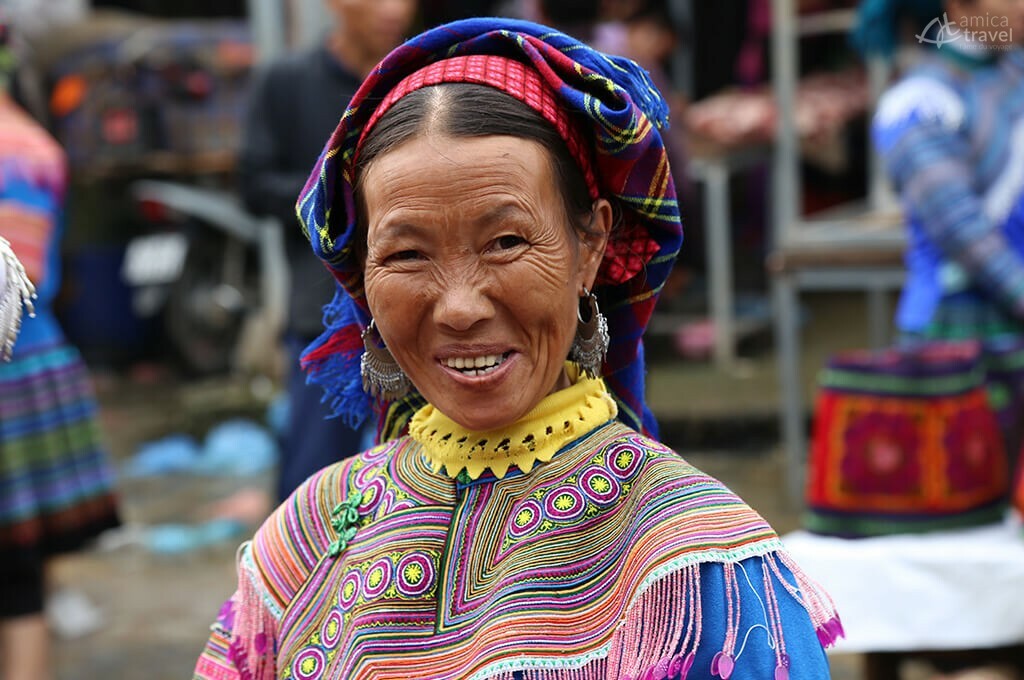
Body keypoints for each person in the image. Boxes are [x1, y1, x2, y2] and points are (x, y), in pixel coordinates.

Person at [194, 19, 841, 679]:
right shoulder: (307, 539)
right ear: (361, 272)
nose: (460, 306)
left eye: (505, 242)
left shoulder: (698, 567)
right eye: (408, 254)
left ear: (591, 246)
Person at [238, 0, 418, 502]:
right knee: (313, 479)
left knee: (421, 475)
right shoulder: (287, 82)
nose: (393, 10)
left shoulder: (419, 79)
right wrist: (340, 195)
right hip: (325, 315)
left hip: (415, 310)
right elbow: (253, 185)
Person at [0, 20, 120, 680]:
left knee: (16, 581)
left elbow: (15, 280)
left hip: (11, 368)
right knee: (19, 575)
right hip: (33, 359)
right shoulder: (33, 142)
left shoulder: (14, 148)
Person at [866, 0, 1024, 449]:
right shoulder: (918, 103)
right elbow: (964, 232)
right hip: (957, 331)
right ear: (957, 5)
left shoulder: (1014, 72)